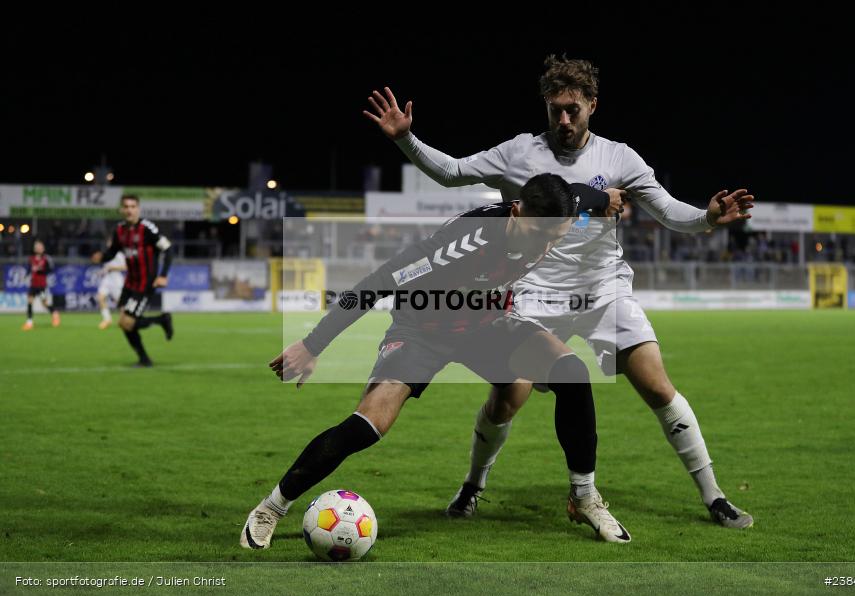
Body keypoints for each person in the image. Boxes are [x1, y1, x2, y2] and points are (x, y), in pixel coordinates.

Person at [364, 54, 754, 530]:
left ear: (593, 104)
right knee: (509, 398)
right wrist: (406, 138)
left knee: (657, 386)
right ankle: (473, 485)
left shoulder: (619, 158)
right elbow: (453, 172)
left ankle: (714, 496)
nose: (564, 120)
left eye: (574, 109)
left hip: (602, 291)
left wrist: (707, 218)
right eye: (555, 111)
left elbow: (669, 212)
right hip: (533, 296)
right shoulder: (520, 152)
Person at [241, 174, 634, 550]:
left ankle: (583, 497)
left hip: (486, 322)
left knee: (571, 371)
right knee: (369, 424)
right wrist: (313, 345)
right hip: (422, 329)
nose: (544, 247)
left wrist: (611, 198)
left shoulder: (563, 207)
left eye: (556, 237)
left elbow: (589, 195)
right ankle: (271, 507)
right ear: (516, 212)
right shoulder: (461, 243)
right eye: (539, 235)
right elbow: (377, 282)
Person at [92, 194, 174, 366]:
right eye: (126, 207)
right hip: (129, 283)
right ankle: (145, 357)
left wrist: (163, 275)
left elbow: (168, 249)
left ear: (138, 209)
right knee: (123, 323)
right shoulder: (119, 230)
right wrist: (101, 258)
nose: (129, 210)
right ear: (121, 209)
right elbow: (112, 252)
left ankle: (161, 322)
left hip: (145, 283)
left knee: (128, 322)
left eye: (133, 206)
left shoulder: (147, 228)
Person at [21, 239, 60, 330]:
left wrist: (40, 270)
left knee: (44, 303)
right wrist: (26, 276)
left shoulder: (46, 259)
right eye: (36, 247)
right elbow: (29, 269)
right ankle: (29, 322)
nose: (38, 248)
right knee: (30, 301)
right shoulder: (31, 258)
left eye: (40, 246)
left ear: (43, 248)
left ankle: (55, 313)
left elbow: (50, 270)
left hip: (42, 286)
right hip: (33, 285)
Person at [97, 239, 126, 329]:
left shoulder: (119, 255)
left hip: (116, 280)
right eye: (109, 242)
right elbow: (106, 267)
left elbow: (125, 267)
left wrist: (113, 268)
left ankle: (123, 320)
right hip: (107, 279)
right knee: (100, 298)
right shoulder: (107, 254)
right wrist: (102, 272)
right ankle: (107, 319)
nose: (109, 244)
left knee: (120, 303)